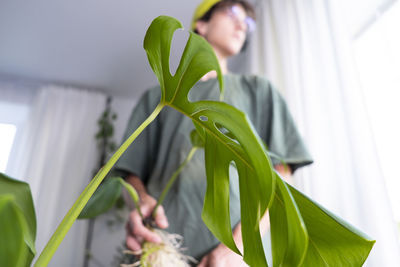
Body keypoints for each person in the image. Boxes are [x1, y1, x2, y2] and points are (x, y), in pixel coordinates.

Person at [115, 0, 313, 266]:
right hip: (158, 251)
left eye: (248, 21)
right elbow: (130, 172)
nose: (242, 24)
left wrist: (237, 247)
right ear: (202, 24)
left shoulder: (258, 91)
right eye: (232, 12)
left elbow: (281, 176)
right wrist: (140, 203)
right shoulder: (158, 99)